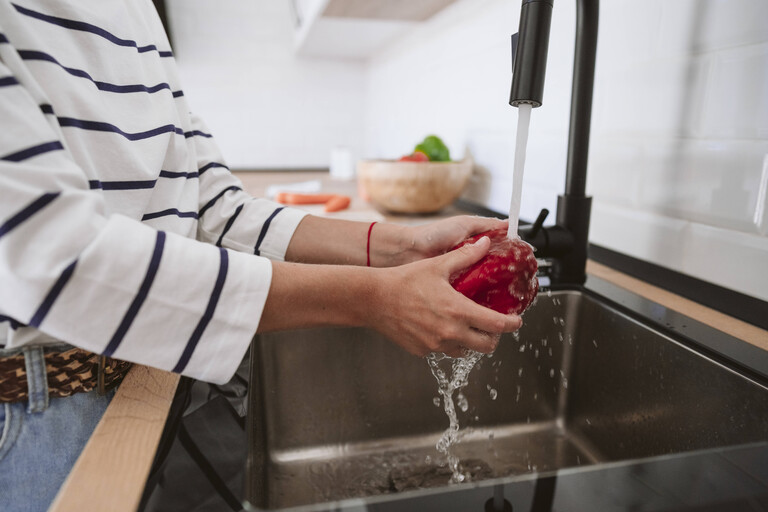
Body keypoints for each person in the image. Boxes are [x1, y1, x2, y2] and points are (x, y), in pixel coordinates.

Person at [0, 1, 523, 510]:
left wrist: (401, 244)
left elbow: (214, 205)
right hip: (37, 412)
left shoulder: (138, 11)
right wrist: (373, 298)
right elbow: (58, 260)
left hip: (146, 373)